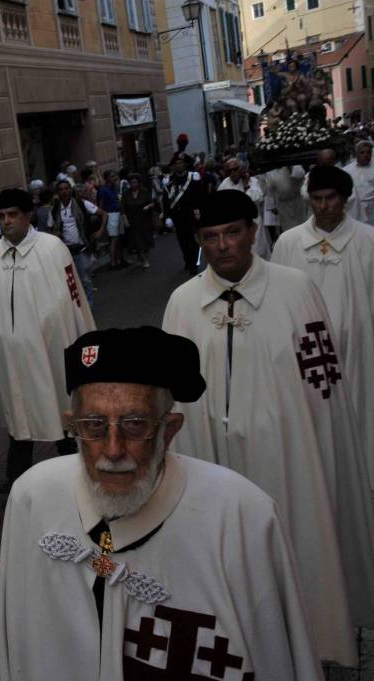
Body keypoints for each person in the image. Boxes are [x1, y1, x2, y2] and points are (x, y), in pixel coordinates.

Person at [0, 326, 323, 680]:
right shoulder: (33, 498)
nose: (113, 449)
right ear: (71, 426)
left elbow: (277, 658)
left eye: (135, 425)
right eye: (93, 425)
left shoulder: (242, 518)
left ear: (169, 430)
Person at [161, 189, 374, 664]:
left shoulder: (296, 290)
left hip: (289, 457)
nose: (222, 246)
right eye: (211, 236)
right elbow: (171, 393)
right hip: (210, 460)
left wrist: (318, 452)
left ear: (253, 232)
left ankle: (311, 641)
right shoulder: (181, 302)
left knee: (297, 547)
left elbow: (325, 389)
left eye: (232, 232)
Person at [0, 188, 95, 494]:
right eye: (1, 216)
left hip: (50, 350)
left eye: (13, 215)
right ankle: (17, 479)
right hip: (11, 356)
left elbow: (71, 300)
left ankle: (79, 473)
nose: (6, 222)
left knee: (59, 407)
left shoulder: (52, 248)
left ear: (28, 215)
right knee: (19, 418)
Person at [273, 165, 374, 486]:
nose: (323, 206)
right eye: (316, 198)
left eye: (331, 198)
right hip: (306, 355)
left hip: (360, 351)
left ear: (345, 199)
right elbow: (276, 304)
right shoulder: (289, 243)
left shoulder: (368, 240)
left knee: (361, 415)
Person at [47, 178, 103, 306]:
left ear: (70, 190)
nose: (64, 192)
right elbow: (50, 227)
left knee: (84, 279)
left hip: (81, 248)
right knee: (68, 281)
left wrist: (100, 231)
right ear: (57, 192)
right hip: (64, 250)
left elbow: (103, 214)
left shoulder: (81, 204)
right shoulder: (54, 209)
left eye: (66, 188)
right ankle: (77, 305)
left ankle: (89, 304)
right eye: (61, 189)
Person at [218, 158, 271, 258]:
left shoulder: (252, 181)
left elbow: (258, 198)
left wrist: (246, 185)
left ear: (241, 169)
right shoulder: (224, 185)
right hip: (235, 225)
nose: (233, 172)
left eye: (235, 169)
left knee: (257, 252)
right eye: (230, 171)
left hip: (253, 222)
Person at [162, 158, 205, 273]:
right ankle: (187, 260)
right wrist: (167, 216)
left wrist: (200, 209)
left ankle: (193, 264)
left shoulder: (192, 177)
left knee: (193, 240)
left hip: (191, 213)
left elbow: (200, 195)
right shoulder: (168, 180)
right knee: (182, 241)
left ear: (184, 164)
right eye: (176, 163)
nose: (179, 165)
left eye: (180, 163)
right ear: (173, 166)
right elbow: (166, 200)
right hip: (177, 215)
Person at [120, 173, 156, 268]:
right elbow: (123, 208)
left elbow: (152, 203)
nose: (133, 184)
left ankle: (146, 259)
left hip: (144, 218)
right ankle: (141, 257)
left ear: (139, 183)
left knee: (146, 239)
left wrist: (147, 206)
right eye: (131, 182)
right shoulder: (126, 193)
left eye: (135, 182)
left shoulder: (145, 192)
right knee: (136, 241)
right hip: (132, 219)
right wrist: (125, 219)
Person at [97, 170, 124, 269]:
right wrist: (103, 219)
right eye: (112, 176)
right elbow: (101, 205)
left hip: (118, 213)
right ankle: (113, 263)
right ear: (107, 178)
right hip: (110, 214)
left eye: (115, 175)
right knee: (114, 239)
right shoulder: (103, 190)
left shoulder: (115, 187)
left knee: (119, 239)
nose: (115, 178)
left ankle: (119, 260)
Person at [344, 139, 374, 223]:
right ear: (356, 154)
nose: (366, 155)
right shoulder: (347, 170)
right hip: (356, 208)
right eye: (362, 152)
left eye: (368, 152)